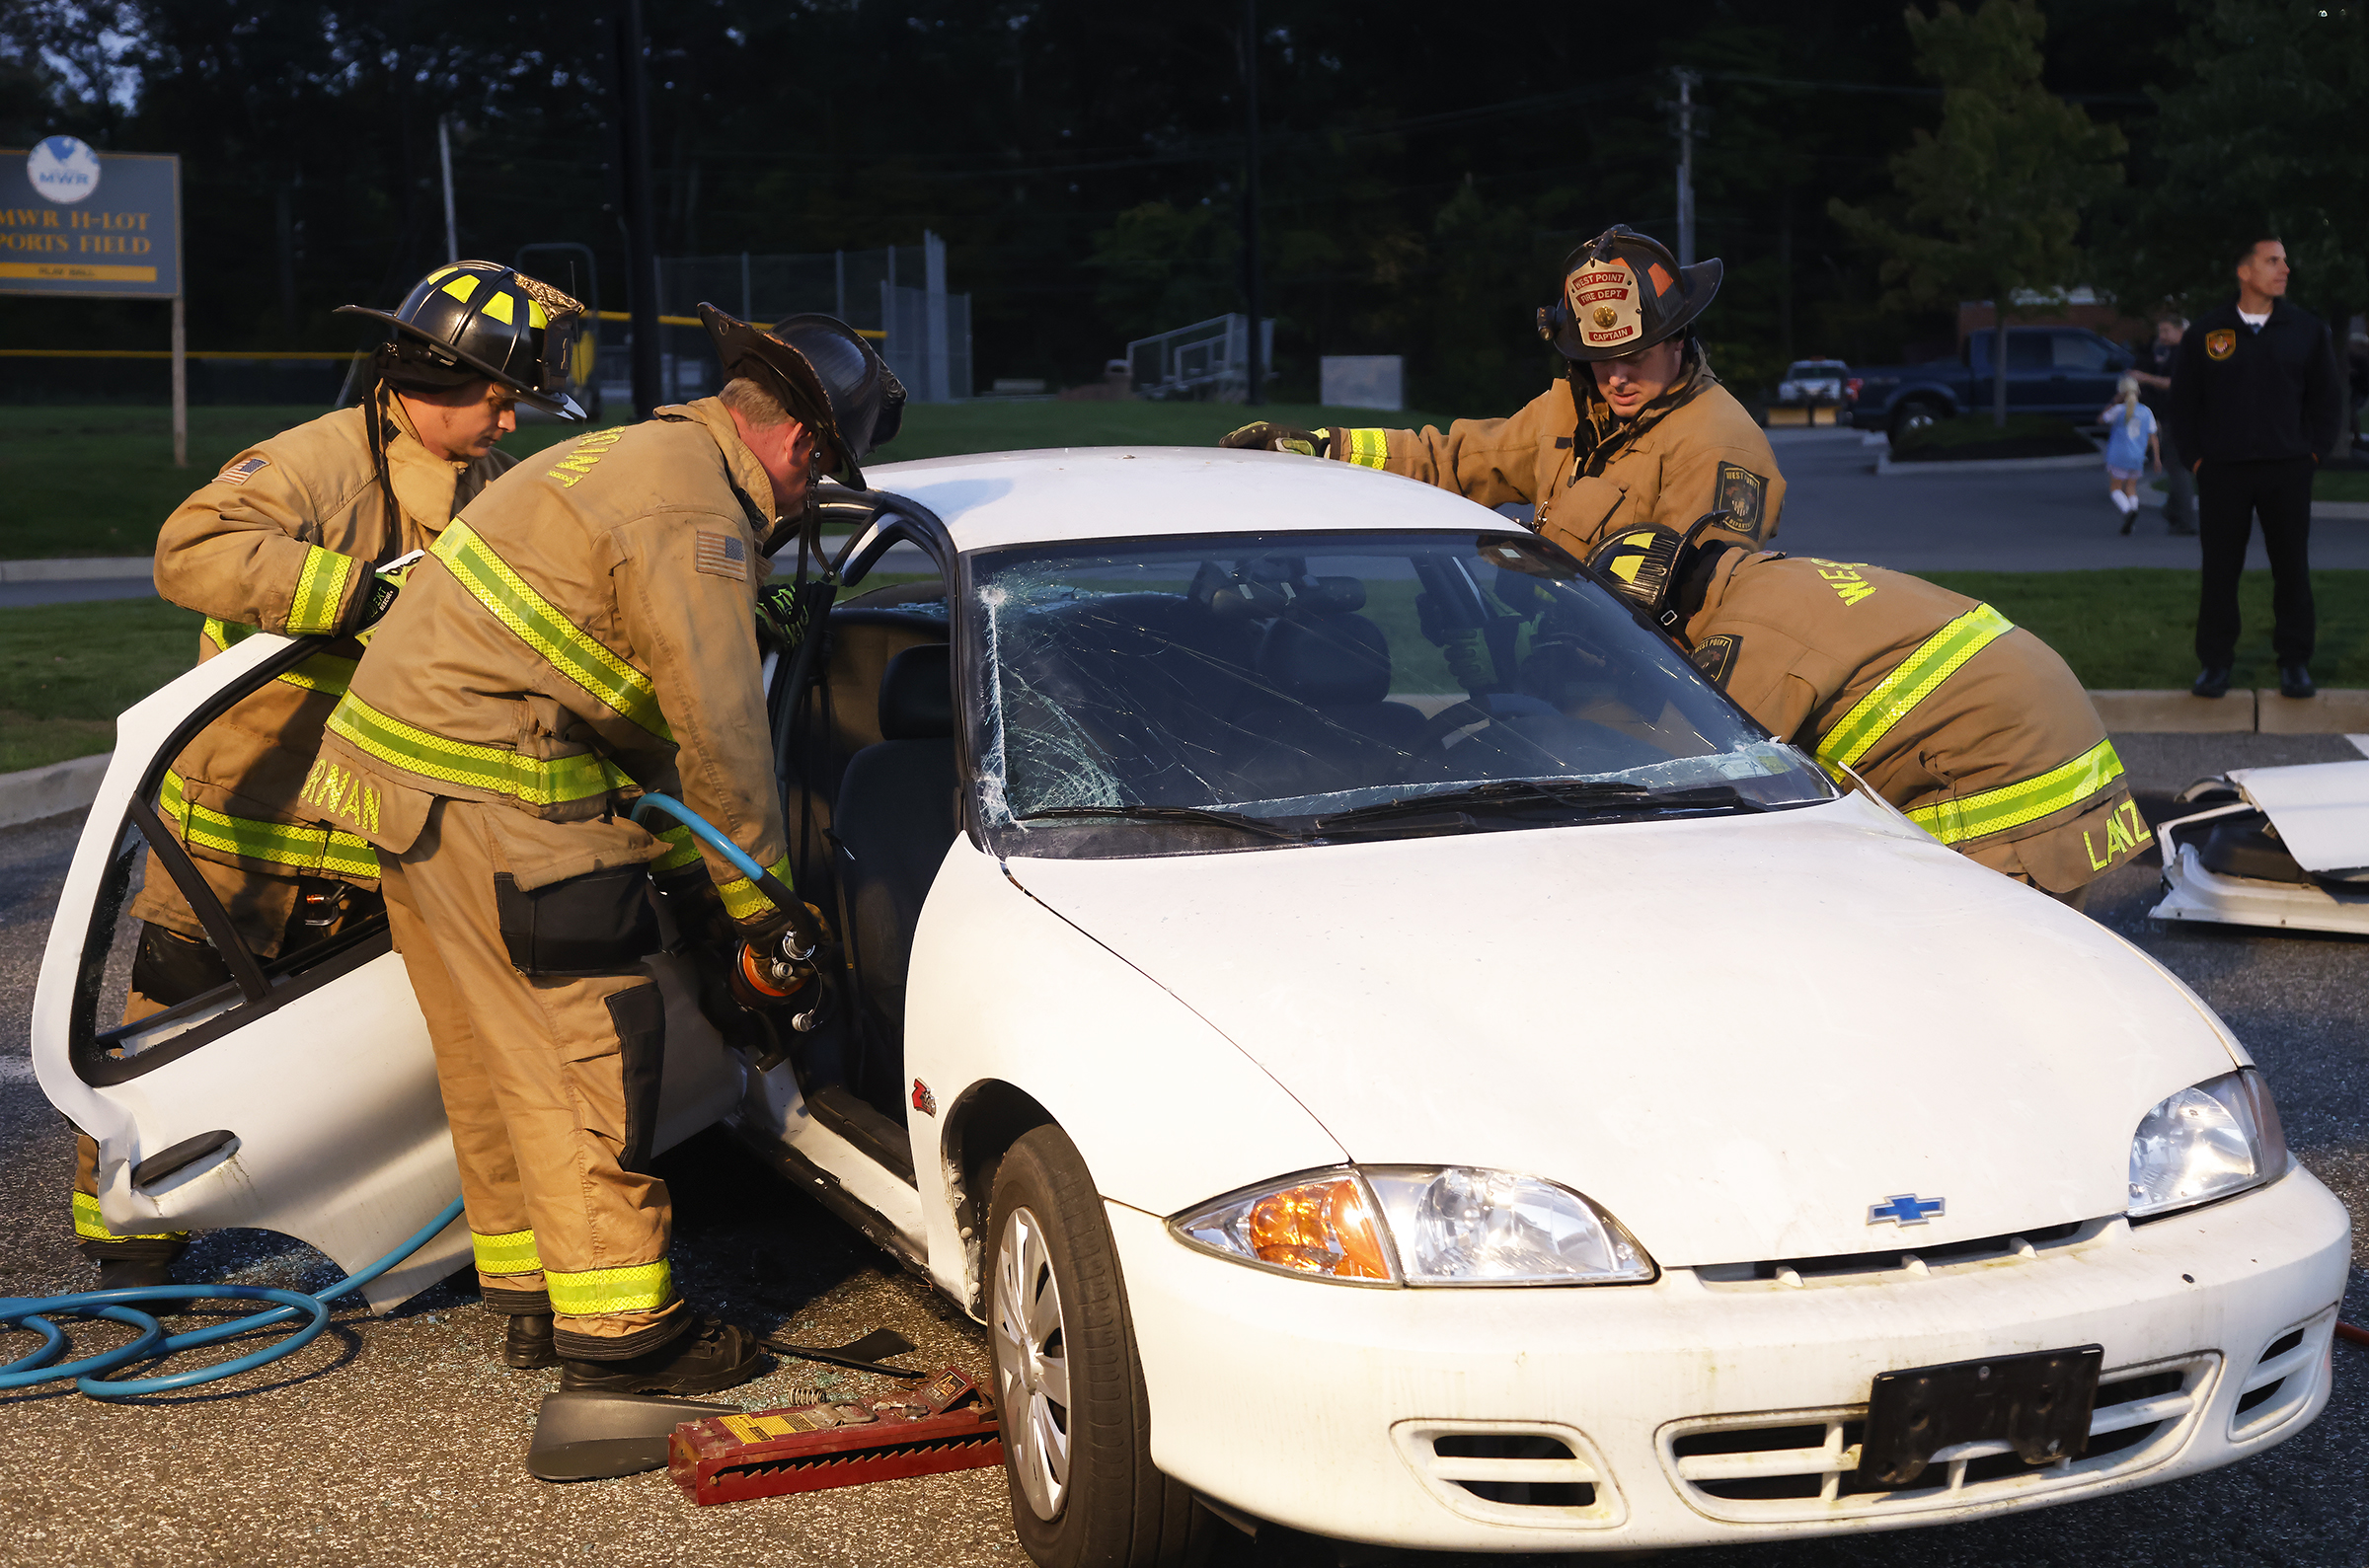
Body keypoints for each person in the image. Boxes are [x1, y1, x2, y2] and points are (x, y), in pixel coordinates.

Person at [296, 305, 903, 1393]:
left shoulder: (629, 455)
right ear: (804, 443)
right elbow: (720, 735)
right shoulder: (696, 517)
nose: (805, 503)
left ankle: (533, 1298)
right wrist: (764, 913)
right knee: (586, 1057)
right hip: (502, 802)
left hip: (410, 794)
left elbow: (639, 722)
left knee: (496, 1065)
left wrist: (694, 880)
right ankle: (627, 1345)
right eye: (822, 476)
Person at [72, 261, 584, 1294]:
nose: (510, 423)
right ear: (434, 378)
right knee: (170, 1039)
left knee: (353, 1050)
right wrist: (347, 592)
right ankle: (125, 1251)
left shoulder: (487, 491)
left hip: (365, 832)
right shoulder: (318, 467)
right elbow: (189, 549)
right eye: (499, 399)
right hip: (239, 836)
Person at [1588, 516, 2148, 908]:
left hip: (2012, 791)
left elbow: (1712, 787)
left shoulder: (1744, 639)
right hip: (2060, 752)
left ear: (1661, 627)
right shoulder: (1769, 579)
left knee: (1951, 983)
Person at [1219, 224, 1785, 558]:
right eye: (1595, 361)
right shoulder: (1570, 409)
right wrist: (1323, 449)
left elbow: (1689, 590)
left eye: (1632, 359)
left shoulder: (1718, 445)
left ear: (1678, 340)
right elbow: (1453, 459)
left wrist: (1533, 563)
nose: (1615, 379)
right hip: (1556, 674)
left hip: (1642, 704)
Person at [2170, 236, 2344, 700]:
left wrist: (2312, 455)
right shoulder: (2207, 332)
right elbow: (2183, 405)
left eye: (2285, 260)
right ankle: (2215, 665)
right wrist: (2197, 460)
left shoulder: (2307, 331)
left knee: (2292, 569)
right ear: (2244, 272)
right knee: (2220, 571)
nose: (2284, 268)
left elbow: (2329, 402)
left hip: (2288, 470)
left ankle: (2294, 664)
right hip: (2223, 472)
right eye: (2272, 261)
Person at [2130, 314, 2196, 535]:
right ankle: (2173, 510)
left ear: (2181, 330)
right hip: (2175, 416)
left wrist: (2144, 377)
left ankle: (2185, 520)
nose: (2162, 336)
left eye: (2167, 331)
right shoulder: (2171, 353)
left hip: (2181, 418)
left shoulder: (2184, 354)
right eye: (2160, 331)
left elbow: (2174, 384)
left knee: (2177, 468)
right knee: (2178, 466)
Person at [2100, 374, 2160, 534]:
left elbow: (2101, 419)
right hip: (2138, 456)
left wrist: (2114, 401)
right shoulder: (2146, 412)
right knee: (2131, 488)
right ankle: (2132, 519)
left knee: (2115, 489)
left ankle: (2127, 511)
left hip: (2119, 455)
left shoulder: (2118, 410)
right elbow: (2152, 436)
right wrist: (2157, 459)